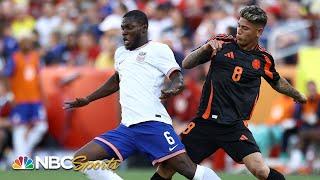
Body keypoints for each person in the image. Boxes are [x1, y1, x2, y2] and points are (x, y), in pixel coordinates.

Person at [152, 5, 307, 180]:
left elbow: (277, 81)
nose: (239, 31)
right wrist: (205, 49)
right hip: (205, 123)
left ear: (259, 32)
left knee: (261, 171)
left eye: (245, 28)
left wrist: (297, 94)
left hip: (234, 127)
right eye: (239, 25)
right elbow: (187, 63)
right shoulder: (222, 43)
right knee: (167, 167)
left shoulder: (263, 59)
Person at [64, 10, 220, 180]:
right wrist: (88, 99)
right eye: (123, 28)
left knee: (189, 169)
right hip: (127, 128)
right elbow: (117, 80)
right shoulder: (121, 53)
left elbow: (177, 77)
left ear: (143, 28)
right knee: (81, 159)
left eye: (129, 27)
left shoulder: (159, 49)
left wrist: (175, 87)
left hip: (152, 123)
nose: (124, 32)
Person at [1, 35, 48, 161]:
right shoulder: (15, 58)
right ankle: (21, 159)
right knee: (20, 128)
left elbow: (38, 78)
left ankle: (21, 154)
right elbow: (5, 76)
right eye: (24, 41)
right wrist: (10, 95)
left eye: (29, 42)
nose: (27, 44)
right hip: (20, 99)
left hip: (35, 99)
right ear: (20, 44)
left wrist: (43, 95)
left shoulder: (35, 57)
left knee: (41, 126)